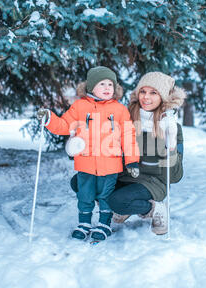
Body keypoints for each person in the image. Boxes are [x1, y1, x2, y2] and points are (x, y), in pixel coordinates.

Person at [71, 71, 185, 235]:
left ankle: (155, 209)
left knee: (116, 200)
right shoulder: (127, 118)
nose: (146, 97)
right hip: (125, 175)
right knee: (80, 182)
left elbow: (175, 177)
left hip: (152, 182)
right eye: (143, 91)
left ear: (164, 97)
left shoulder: (172, 127)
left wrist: (171, 143)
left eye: (154, 93)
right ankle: (122, 208)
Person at [37, 66, 140, 241]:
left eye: (110, 84)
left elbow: (128, 136)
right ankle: (84, 223)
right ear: (91, 87)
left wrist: (132, 161)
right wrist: (49, 118)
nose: (107, 88)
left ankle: (104, 224)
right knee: (85, 195)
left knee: (105, 195)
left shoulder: (120, 110)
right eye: (102, 84)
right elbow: (63, 126)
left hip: (110, 163)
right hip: (85, 163)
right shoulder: (80, 107)